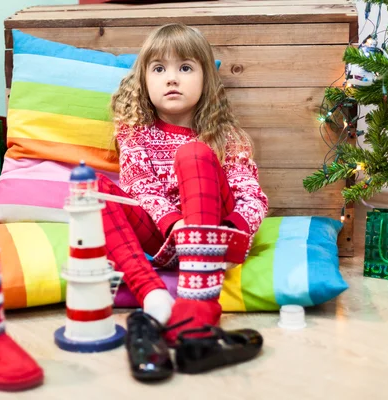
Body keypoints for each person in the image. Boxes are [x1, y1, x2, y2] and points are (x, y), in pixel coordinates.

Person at [98, 23, 268, 343]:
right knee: (87, 189)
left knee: (193, 153)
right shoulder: (136, 132)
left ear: (206, 79)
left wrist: (232, 230)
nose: (172, 78)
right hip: (163, 237)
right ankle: (152, 294)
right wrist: (173, 223)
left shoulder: (226, 136)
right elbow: (139, 185)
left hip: (214, 236)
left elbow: (251, 195)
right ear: (144, 80)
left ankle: (198, 299)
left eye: (186, 67)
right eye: (159, 68)